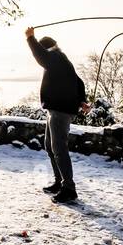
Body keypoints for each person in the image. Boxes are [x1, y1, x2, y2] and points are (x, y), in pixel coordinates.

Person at [25, 28, 89, 204]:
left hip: (60, 111)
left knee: (59, 149)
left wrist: (31, 38)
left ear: (47, 48)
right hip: (54, 109)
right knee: (50, 146)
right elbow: (78, 82)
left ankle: (69, 189)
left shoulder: (54, 56)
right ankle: (59, 182)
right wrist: (82, 100)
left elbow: (41, 57)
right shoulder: (60, 59)